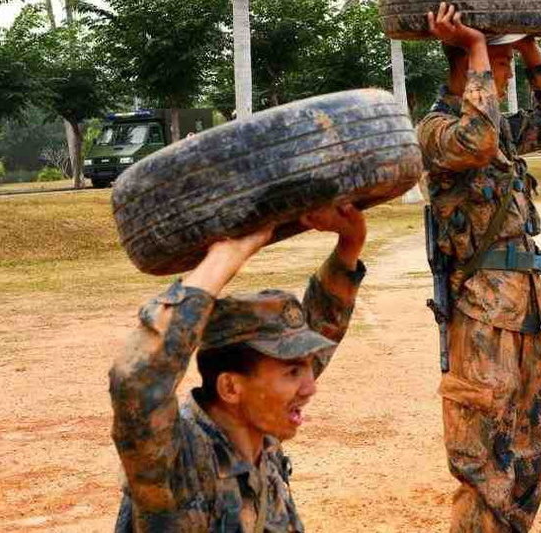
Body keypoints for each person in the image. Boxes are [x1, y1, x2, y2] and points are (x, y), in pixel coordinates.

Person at [109, 205, 367, 532]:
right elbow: (138, 384)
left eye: (305, 369)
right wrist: (225, 256)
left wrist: (349, 246)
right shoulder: (177, 462)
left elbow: (321, 328)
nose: (310, 385)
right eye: (292, 372)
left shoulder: (257, 429)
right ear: (230, 388)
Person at [417, 2, 541, 532]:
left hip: (523, 307)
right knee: (484, 451)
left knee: (527, 445)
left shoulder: (500, 128)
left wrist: (531, 50)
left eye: (502, 66)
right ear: (467, 67)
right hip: (480, 311)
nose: (502, 78)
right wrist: (479, 47)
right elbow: (476, 140)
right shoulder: (438, 131)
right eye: (496, 67)